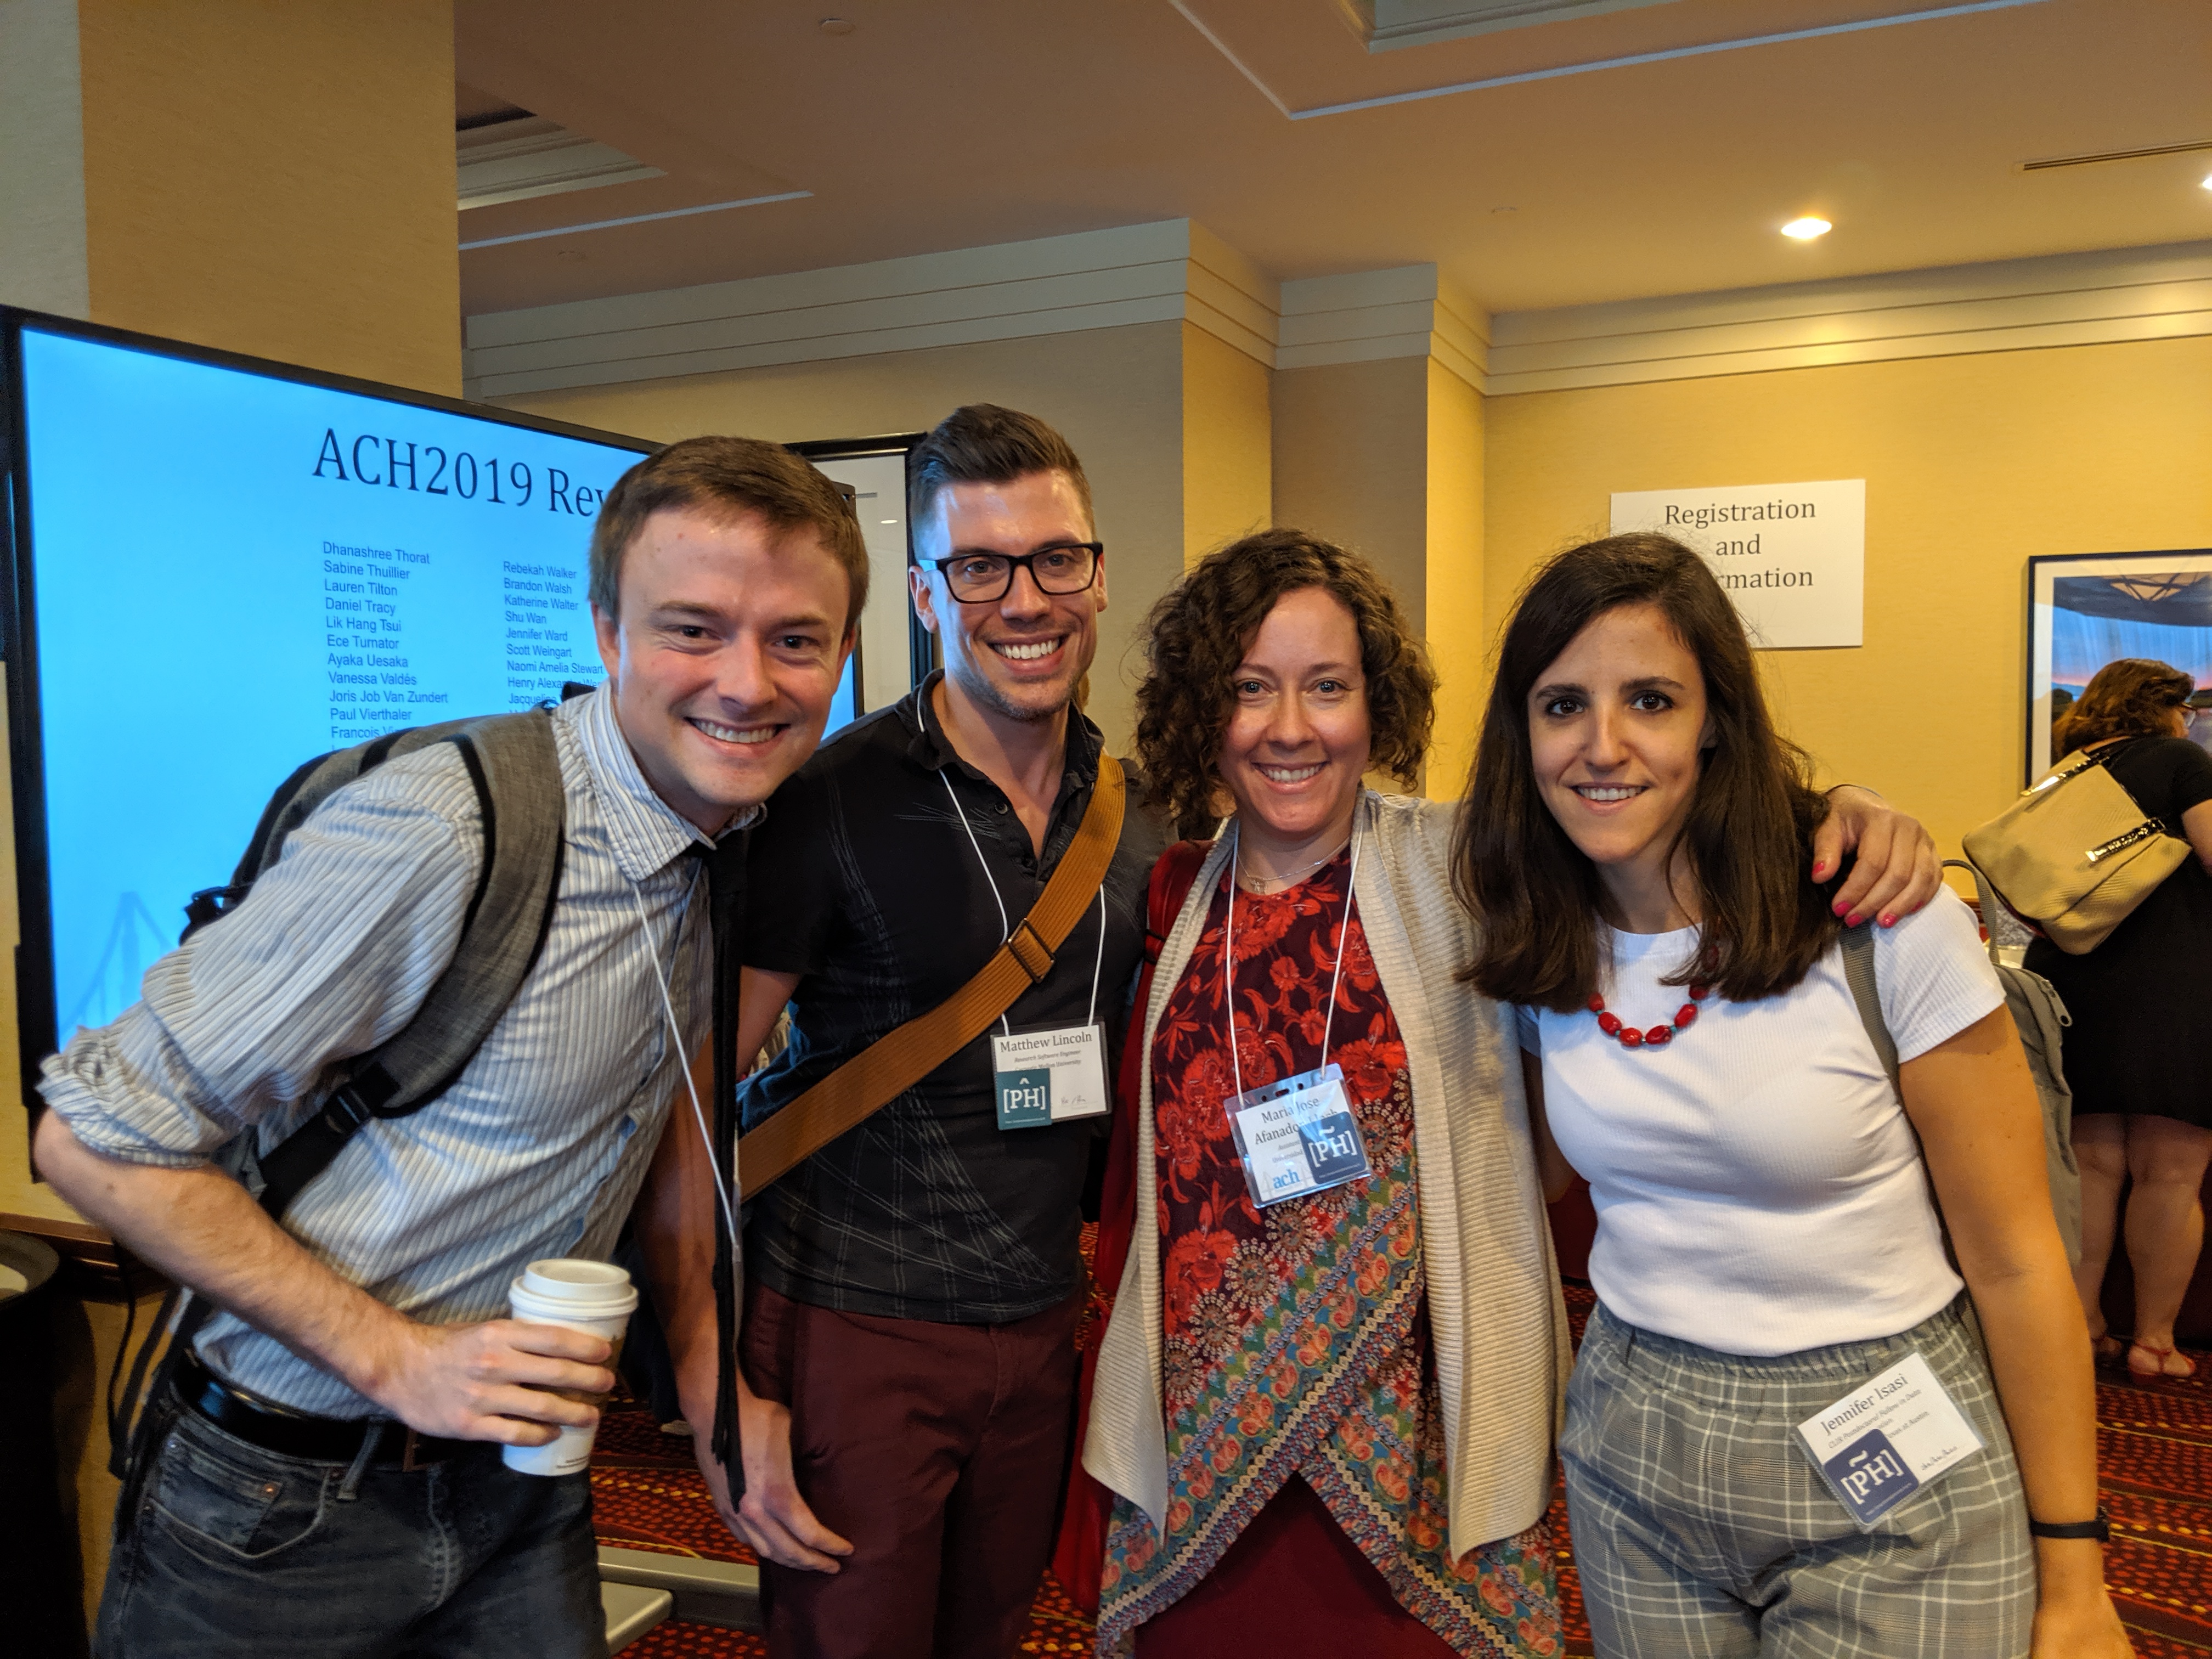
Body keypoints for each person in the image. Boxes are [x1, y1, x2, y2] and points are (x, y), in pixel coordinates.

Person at [32, 436, 866, 1659]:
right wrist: (396, 1359)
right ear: (605, 632)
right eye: (694, 629)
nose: (746, 683)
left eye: (794, 640)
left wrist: (702, 1375)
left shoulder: (729, 841)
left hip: (523, 1490)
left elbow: (670, 1123)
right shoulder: (442, 829)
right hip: (282, 1503)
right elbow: (92, 1142)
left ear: (841, 657)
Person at [1079, 529, 1943, 1658]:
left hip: (1422, 1436)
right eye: (1251, 689)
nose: (1291, 727)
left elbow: (1648, 819)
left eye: (1328, 686)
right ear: (1205, 708)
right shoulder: (1172, 891)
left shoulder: (1470, 866)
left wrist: (1838, 807)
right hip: (1202, 1428)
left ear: (1376, 704)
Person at [1462, 532, 2130, 1658]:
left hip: (1888, 1440)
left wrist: (2076, 1574)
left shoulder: (1879, 920)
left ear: (1715, 718)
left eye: (1652, 701)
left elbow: (2019, 1260)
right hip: (1635, 1447)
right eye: (1562, 704)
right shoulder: (1531, 933)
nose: (1603, 745)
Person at [636, 404, 1169, 1659]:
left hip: (1042, 1332)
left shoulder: (1137, 811)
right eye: (978, 567)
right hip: (852, 1328)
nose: (1024, 599)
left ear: (1098, 572)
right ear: (928, 597)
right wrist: (716, 1394)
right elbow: (689, 1112)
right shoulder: (827, 800)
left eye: (1055, 559)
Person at [2030, 658, 2212, 1380]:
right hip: (2175, 983)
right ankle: (2155, 1341)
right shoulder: (2179, 760)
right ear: (2166, 711)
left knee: (2093, 1169)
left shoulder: (2063, 773)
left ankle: (2085, 1324)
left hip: (2075, 982)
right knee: (2171, 1172)